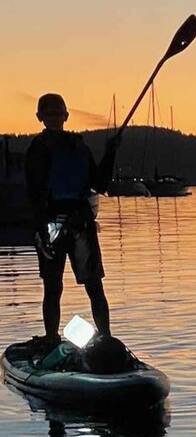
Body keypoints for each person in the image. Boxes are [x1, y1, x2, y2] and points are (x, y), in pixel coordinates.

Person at [26, 93, 121, 349]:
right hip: (52, 225)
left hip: (80, 223)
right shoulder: (37, 149)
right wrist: (41, 231)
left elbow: (99, 183)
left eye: (58, 114)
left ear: (66, 116)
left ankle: (106, 337)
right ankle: (51, 337)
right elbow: (34, 193)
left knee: (93, 285)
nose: (54, 118)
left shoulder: (79, 147)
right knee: (53, 286)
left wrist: (110, 153)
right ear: (40, 118)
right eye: (49, 114)